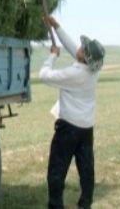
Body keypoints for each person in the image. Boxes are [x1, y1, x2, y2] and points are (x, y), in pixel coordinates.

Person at [39, 15, 106, 209]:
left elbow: (44, 76)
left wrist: (52, 55)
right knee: (86, 170)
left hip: (68, 129)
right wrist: (57, 27)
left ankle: (55, 206)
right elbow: (72, 47)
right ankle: (85, 205)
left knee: (56, 171)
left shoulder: (75, 74)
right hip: (86, 129)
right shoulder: (94, 69)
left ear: (84, 57)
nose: (79, 47)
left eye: (83, 48)